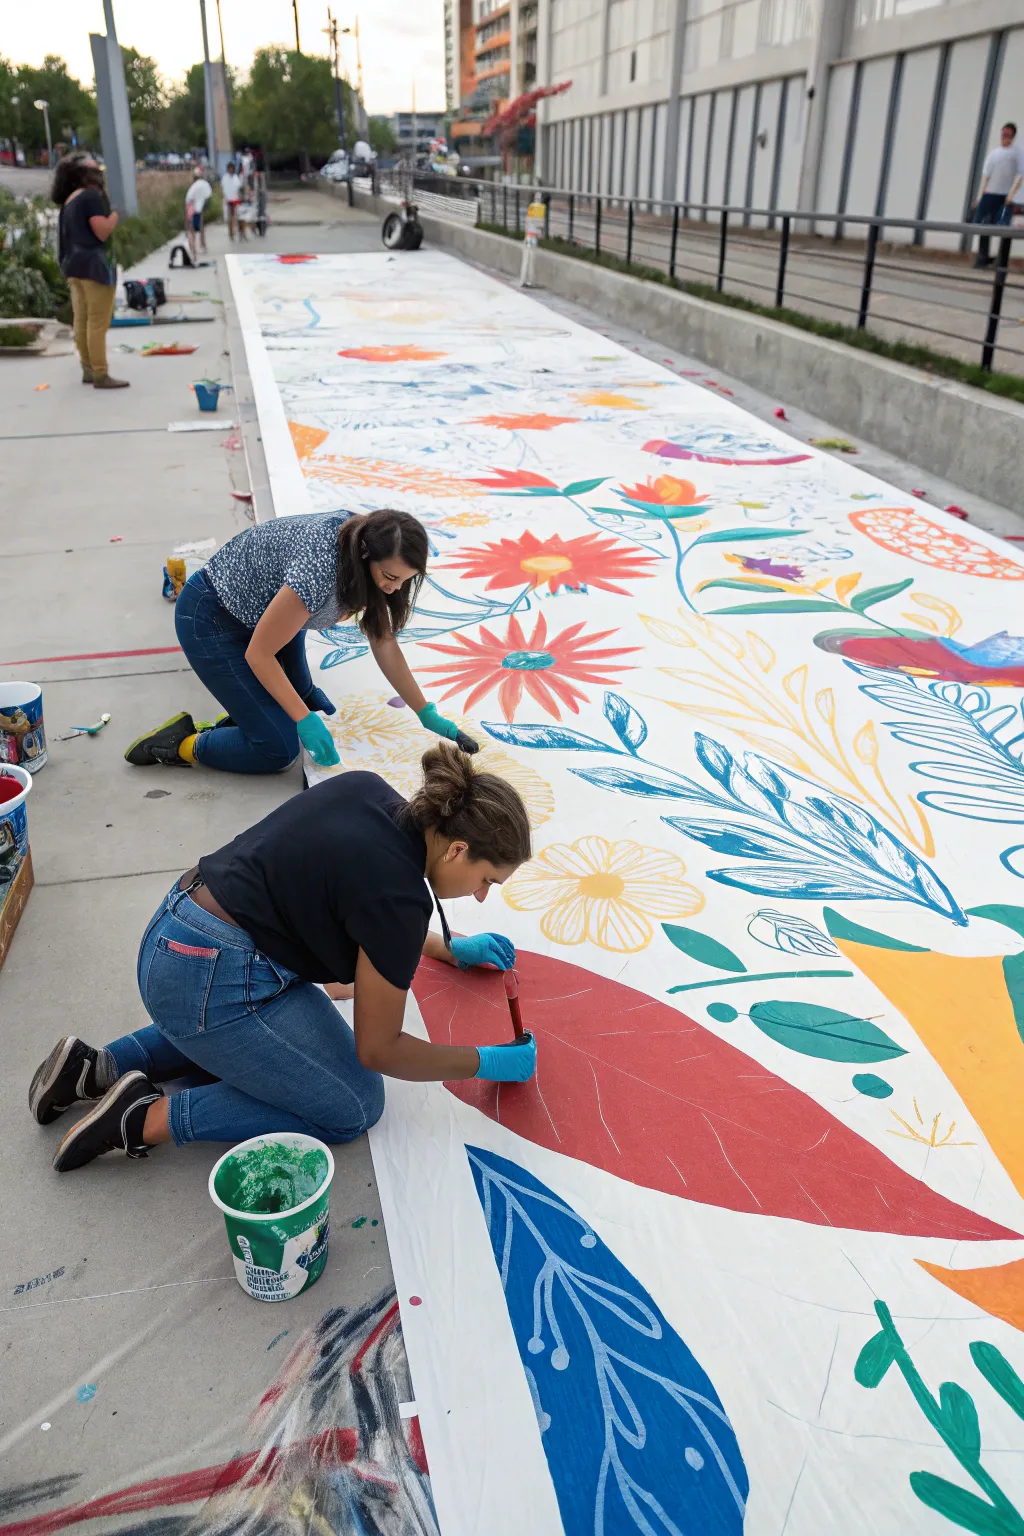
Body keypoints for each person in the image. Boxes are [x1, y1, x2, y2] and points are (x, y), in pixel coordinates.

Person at [30, 745, 536, 1171]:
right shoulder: (400, 903)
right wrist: (484, 1061)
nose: (481, 898)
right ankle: (141, 1118)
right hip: (207, 983)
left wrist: (445, 948)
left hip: (174, 933)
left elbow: (358, 901)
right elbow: (380, 1050)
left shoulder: (369, 792)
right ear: (456, 850)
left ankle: (96, 1067)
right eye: (487, 880)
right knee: (354, 1104)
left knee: (261, 1033)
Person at [124, 509, 468, 775]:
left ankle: (248, 716)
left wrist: (424, 711)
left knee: (300, 695)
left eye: (405, 580)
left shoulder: (371, 540)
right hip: (212, 619)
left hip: (265, 615)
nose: (394, 588)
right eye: (390, 577)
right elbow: (259, 654)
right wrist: (303, 719)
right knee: (278, 747)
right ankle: (183, 743)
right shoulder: (319, 570)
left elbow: (384, 641)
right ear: (364, 553)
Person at [50, 152, 128, 390]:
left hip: (73, 268)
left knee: (81, 320)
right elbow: (101, 231)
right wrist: (115, 215)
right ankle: (101, 374)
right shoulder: (90, 197)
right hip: (94, 267)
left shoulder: (69, 200)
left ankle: (87, 367)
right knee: (97, 323)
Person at [972, 122, 1024, 268]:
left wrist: (1012, 194)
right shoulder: (994, 153)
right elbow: (986, 176)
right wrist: (981, 195)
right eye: (1003, 135)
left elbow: (1020, 175)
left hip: (1005, 197)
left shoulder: (1016, 153)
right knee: (984, 226)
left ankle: (1001, 261)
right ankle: (982, 258)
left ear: (1012, 136)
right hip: (990, 194)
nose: (1004, 138)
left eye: (1008, 135)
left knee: (1004, 229)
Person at [185, 165, 213, 262]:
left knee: (192, 232)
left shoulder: (193, 187)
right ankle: (202, 245)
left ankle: (194, 252)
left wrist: (187, 216)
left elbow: (189, 201)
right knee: (200, 229)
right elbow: (208, 195)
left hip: (192, 211)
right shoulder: (203, 185)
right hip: (198, 211)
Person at [221, 159, 242, 241]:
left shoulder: (236, 177)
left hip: (234, 200)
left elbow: (238, 188)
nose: (230, 169)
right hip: (228, 200)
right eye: (229, 168)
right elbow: (222, 187)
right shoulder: (225, 177)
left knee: (234, 217)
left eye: (231, 168)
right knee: (229, 217)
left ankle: (233, 231)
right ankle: (231, 232)